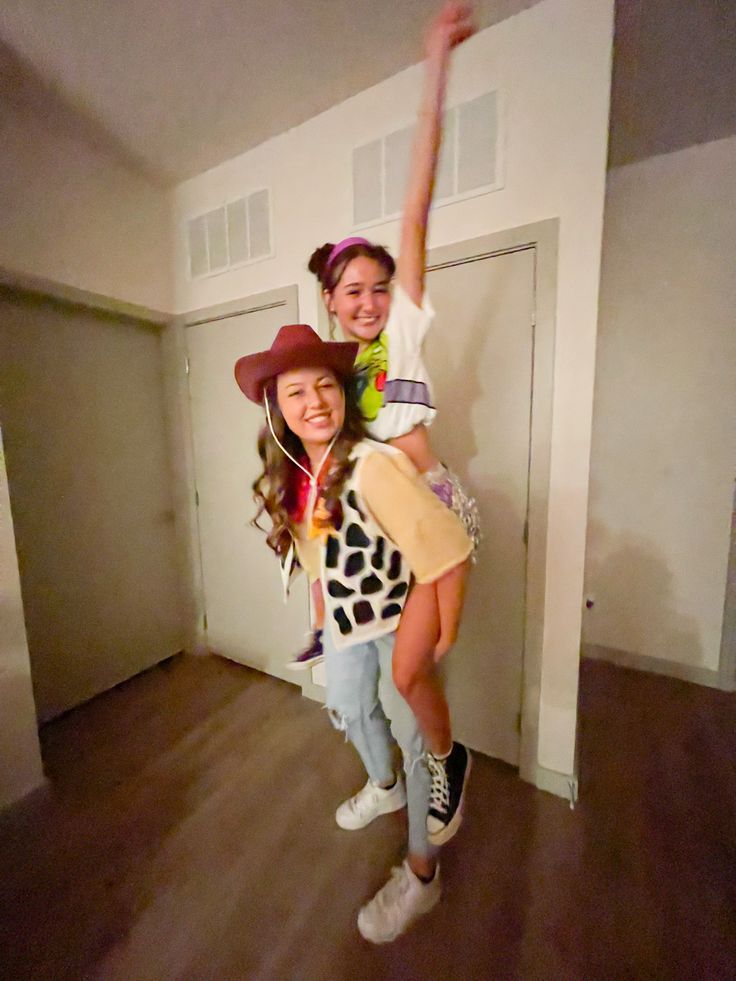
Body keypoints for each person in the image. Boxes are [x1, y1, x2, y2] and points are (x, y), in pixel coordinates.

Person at [305, 0, 480, 846]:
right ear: (332, 306)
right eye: (353, 292)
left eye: (379, 285)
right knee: (405, 671)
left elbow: (415, 205)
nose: (370, 300)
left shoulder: (403, 328)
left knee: (422, 665)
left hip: (439, 511)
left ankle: (443, 766)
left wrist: (435, 60)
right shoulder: (333, 375)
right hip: (391, 540)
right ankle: (444, 760)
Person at [234, 323, 472, 943]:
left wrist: (441, 637)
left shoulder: (374, 466)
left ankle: (421, 874)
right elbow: (317, 560)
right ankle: (383, 786)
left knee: (416, 741)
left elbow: (448, 545)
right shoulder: (297, 477)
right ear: (276, 409)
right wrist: (320, 624)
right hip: (345, 628)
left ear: (342, 392)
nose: (313, 402)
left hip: (397, 625)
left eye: (324, 386)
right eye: (295, 393)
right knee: (346, 704)